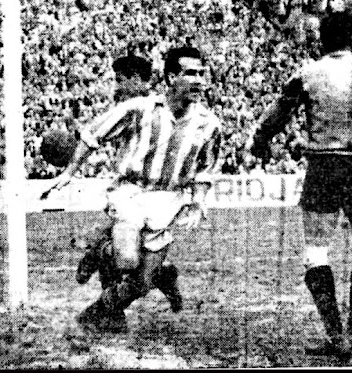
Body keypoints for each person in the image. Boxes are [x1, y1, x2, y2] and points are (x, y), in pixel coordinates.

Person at [247, 9, 352, 357]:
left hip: (325, 163)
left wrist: (260, 142)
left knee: (316, 247)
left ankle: (334, 334)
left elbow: (278, 113)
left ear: (322, 40)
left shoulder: (308, 73)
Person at [42, 46, 222, 333]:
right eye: (191, 73)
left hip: (169, 200)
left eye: (202, 74)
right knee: (126, 259)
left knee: (142, 282)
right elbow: (93, 135)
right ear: (172, 76)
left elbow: (205, 170)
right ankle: (99, 249)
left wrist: (197, 203)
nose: (199, 80)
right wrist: (68, 172)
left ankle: (102, 310)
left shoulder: (209, 124)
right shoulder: (141, 109)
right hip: (131, 192)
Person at [74, 53, 183, 313]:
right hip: (141, 197)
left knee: (128, 260)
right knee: (131, 262)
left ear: (137, 79)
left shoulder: (146, 108)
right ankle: (118, 301)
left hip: (150, 198)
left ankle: (101, 253)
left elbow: (94, 134)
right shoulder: (150, 109)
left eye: (120, 80)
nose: (117, 87)